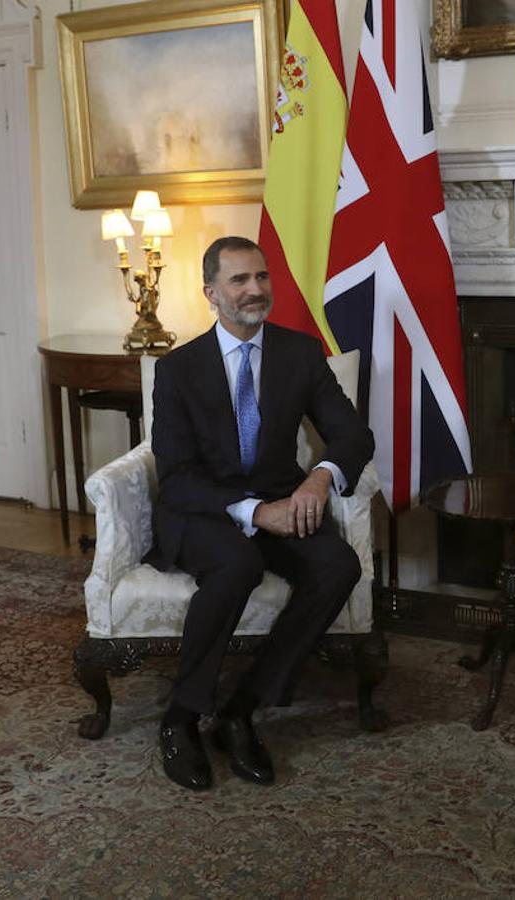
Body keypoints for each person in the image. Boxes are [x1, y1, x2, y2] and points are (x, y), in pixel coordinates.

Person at [147, 236, 375, 791]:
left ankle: (241, 710)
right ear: (211, 293)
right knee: (237, 565)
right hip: (203, 508)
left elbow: (352, 435)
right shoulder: (178, 369)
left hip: (282, 499)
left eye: (262, 277)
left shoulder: (299, 353)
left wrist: (319, 479)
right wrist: (254, 511)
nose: (255, 290)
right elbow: (176, 475)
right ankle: (180, 717)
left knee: (337, 565)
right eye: (239, 281)